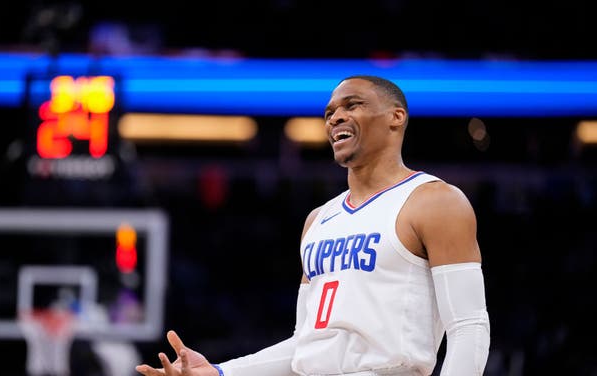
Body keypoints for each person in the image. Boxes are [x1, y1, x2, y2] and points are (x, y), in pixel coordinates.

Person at [136, 75, 490, 376]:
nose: (336, 117)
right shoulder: (318, 220)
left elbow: (468, 326)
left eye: (352, 106)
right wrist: (221, 371)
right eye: (330, 112)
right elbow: (304, 347)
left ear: (396, 117)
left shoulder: (435, 201)